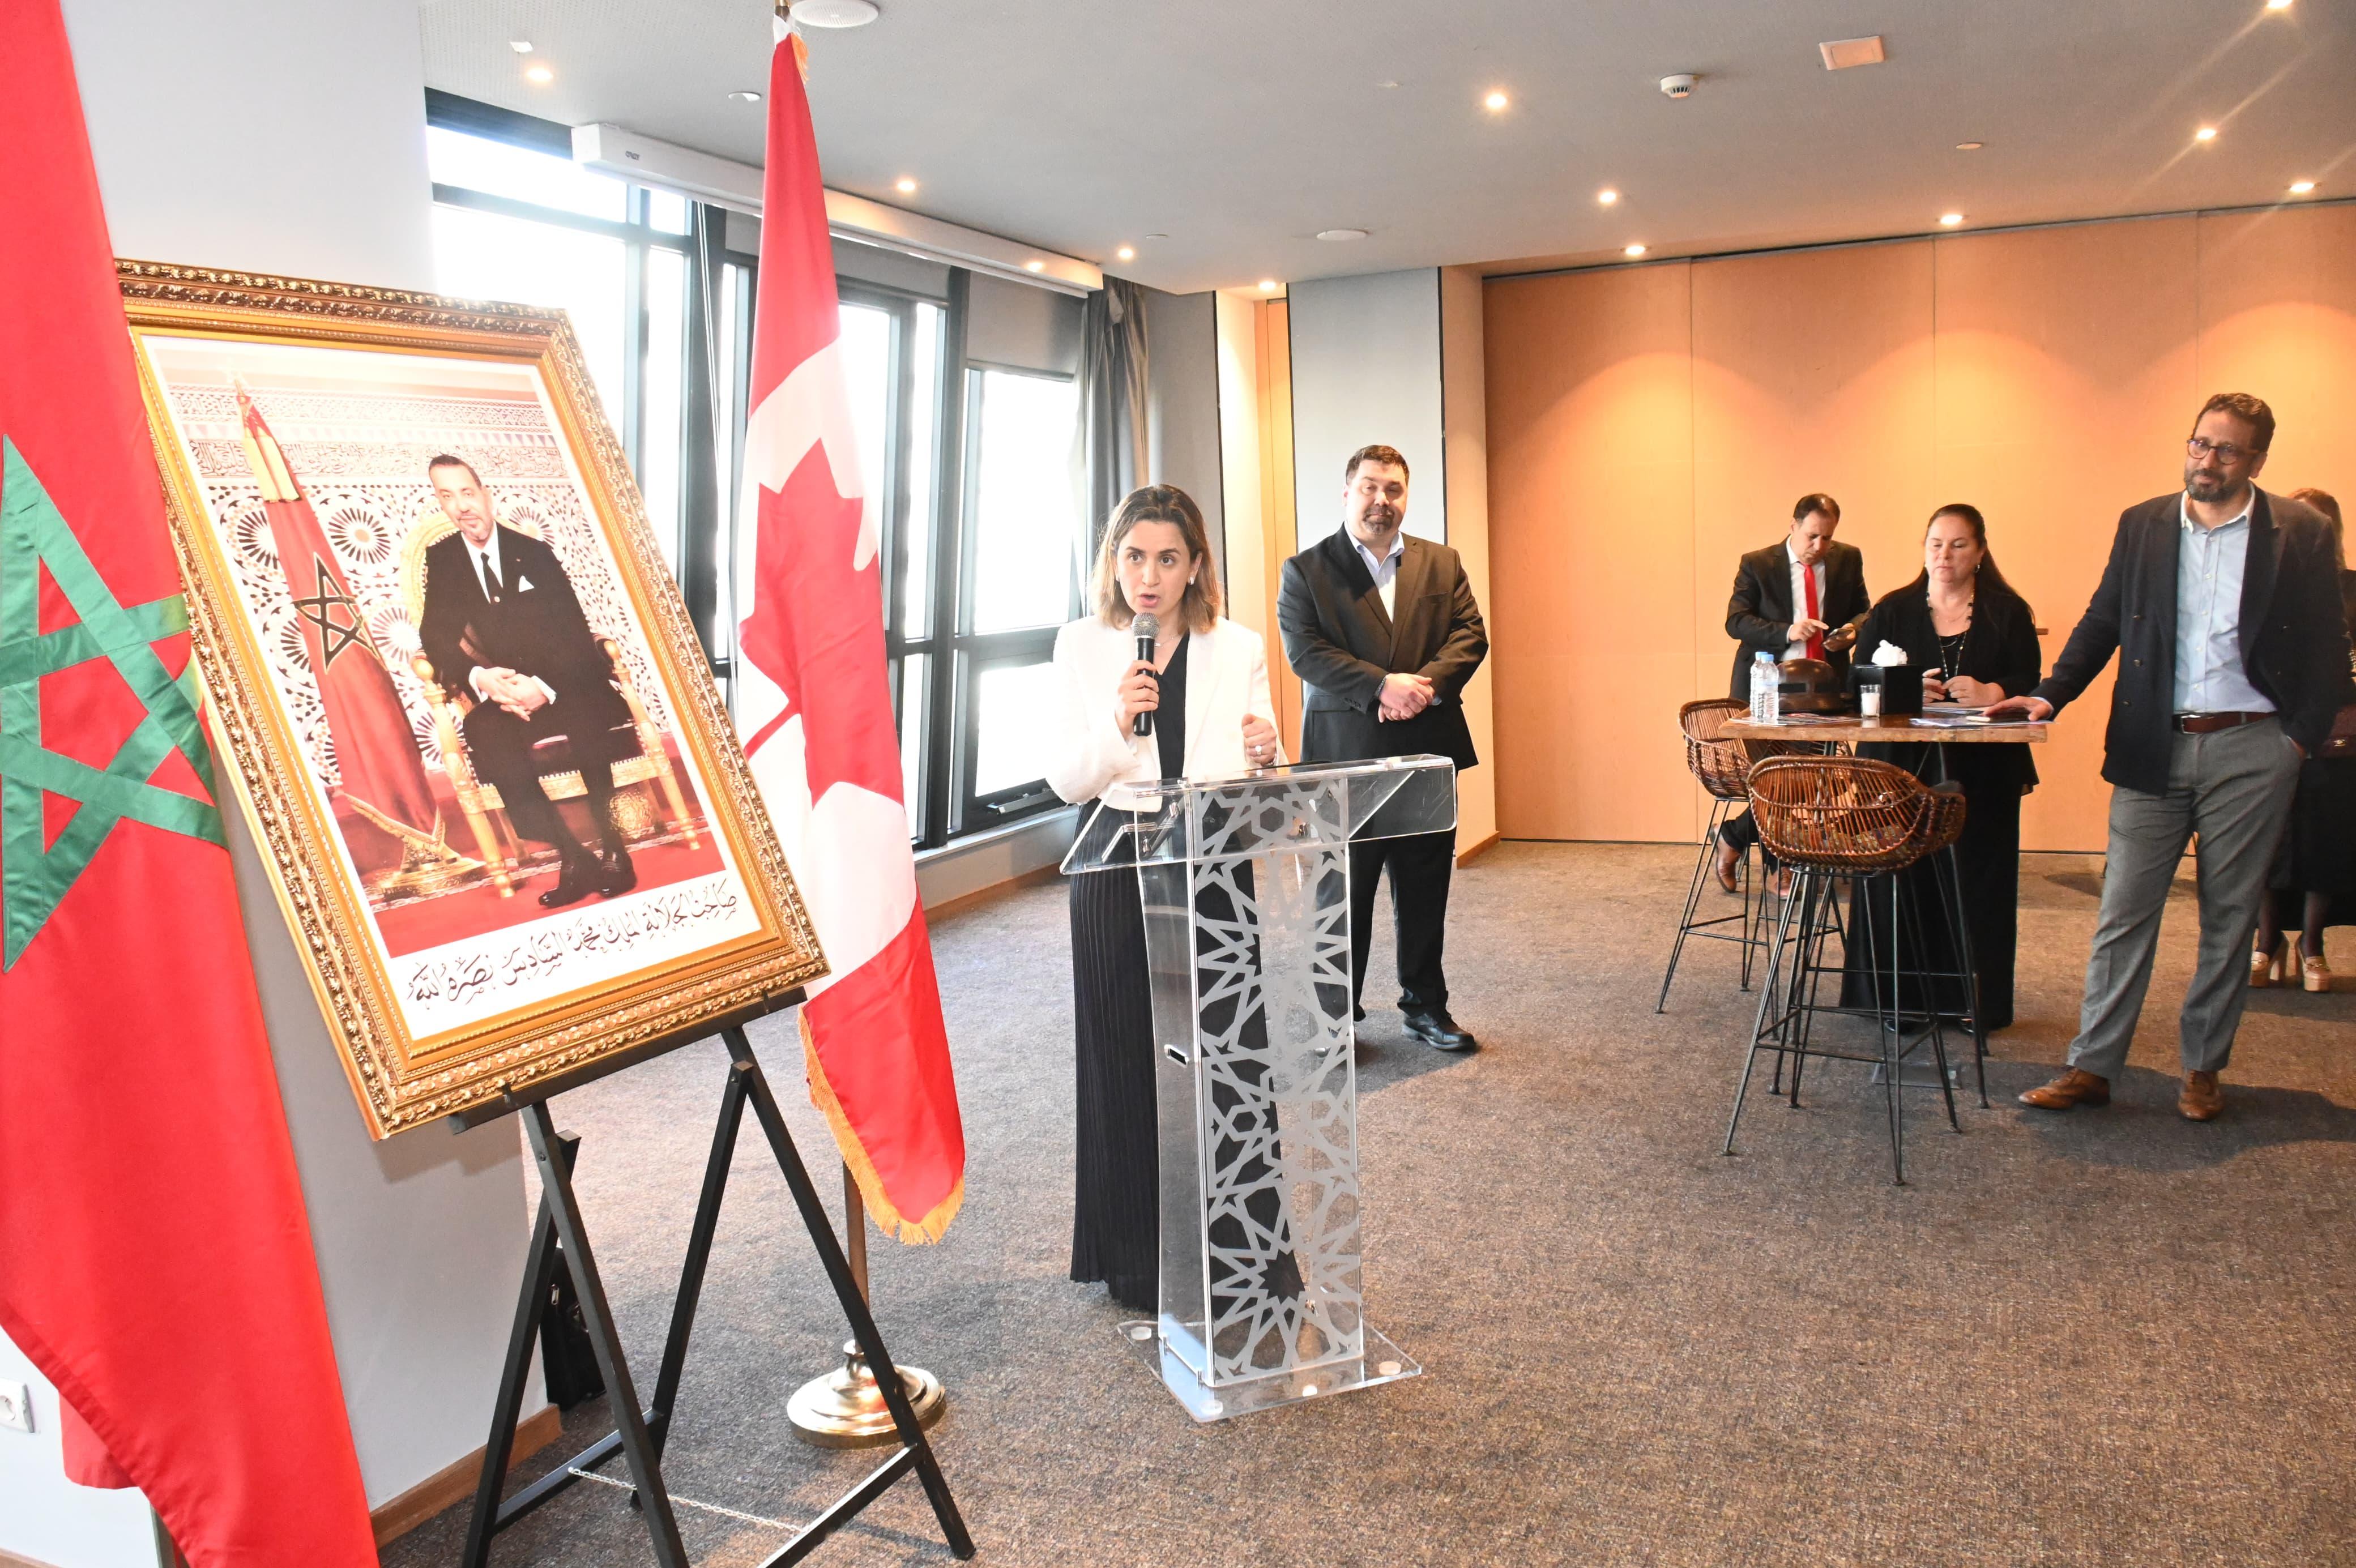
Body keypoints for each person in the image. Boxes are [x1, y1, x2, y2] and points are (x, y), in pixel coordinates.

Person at [1994, 394, 2355, 1121]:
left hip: (2253, 746)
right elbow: (2102, 618)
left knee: (2228, 915)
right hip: (2151, 743)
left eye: (2225, 450)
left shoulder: (2300, 531)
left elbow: (2327, 645)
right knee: (2123, 910)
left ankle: (2201, 1068)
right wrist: (2049, 693)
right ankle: (2091, 1065)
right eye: (2198, 444)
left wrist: (2294, 740)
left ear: (2256, 460)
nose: (2205, 461)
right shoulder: (2144, 523)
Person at [1045, 484, 1283, 1312]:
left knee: (1231, 1054)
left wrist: (1267, 750)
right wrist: (1117, 723)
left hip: (1212, 863)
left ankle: (1241, 1249)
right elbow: (1067, 779)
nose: (1149, 577)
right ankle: (1135, 1260)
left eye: (1168, 559)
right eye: (1135, 557)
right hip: (1113, 869)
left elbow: (1259, 760)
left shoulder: (1237, 645)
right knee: (1123, 1059)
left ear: (1195, 567)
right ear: (1114, 562)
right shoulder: (1081, 645)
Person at [1277, 444, 1488, 1051]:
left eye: (1393, 489)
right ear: (1347, 493)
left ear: (1405, 497)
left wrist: (1424, 689)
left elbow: (1469, 636)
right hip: (1345, 753)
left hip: (1427, 749)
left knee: (1424, 886)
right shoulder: (1306, 570)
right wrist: (1381, 687)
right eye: (1369, 487)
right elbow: (1306, 652)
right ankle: (1332, 1018)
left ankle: (1426, 1007)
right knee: (1341, 893)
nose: (1381, 500)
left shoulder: (1442, 562)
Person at [1839, 505, 2041, 1029]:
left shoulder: (2007, 612)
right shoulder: (1892, 609)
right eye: (1935, 544)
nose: (1944, 555)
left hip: (1984, 769)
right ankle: (1899, 999)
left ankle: (1974, 1002)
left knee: (1979, 878)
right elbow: (1856, 682)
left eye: (1958, 544)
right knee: (1903, 876)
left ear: (1980, 551)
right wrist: (1901, 688)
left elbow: (2031, 678)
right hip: (1901, 767)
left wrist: (1995, 690)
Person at [417, 454, 638, 909]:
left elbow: (573, 631)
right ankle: (572, 854)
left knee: (585, 715)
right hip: (505, 694)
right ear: (441, 504)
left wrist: (543, 687)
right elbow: (434, 636)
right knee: (483, 729)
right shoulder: (443, 560)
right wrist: (481, 678)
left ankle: (614, 846)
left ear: (486, 495)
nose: (462, 506)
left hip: (566, 683)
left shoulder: (534, 553)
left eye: (467, 492)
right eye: (447, 496)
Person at [1714, 494, 1871, 891]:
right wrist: (1787, 631)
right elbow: (1736, 621)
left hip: (1824, 693)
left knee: (1811, 780)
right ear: (1793, 526)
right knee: (1776, 782)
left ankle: (1734, 836)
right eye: (1811, 536)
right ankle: (1780, 868)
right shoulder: (1758, 563)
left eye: (1827, 538)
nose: (1819, 546)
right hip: (1767, 691)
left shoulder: (1847, 559)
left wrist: (1850, 632)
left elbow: (1864, 611)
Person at [2252, 487, 2356, 992]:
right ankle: (2265, 942)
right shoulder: (2265, 584)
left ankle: (2312, 945)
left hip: (2336, 740)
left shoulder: (2352, 589)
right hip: (2270, 730)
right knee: (2265, 843)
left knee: (2324, 845)